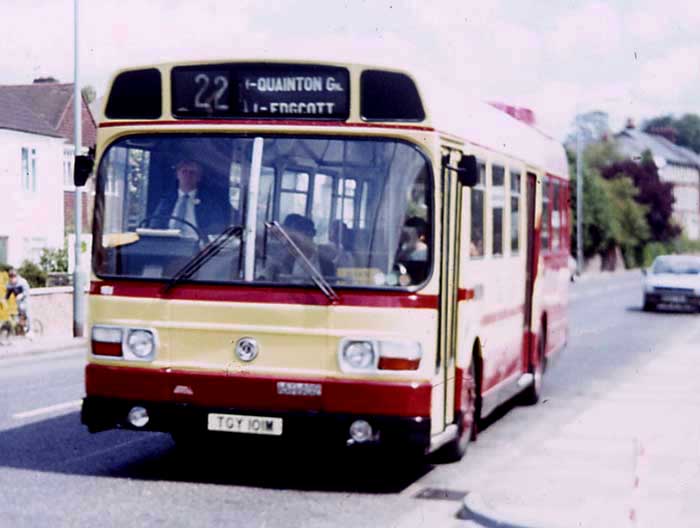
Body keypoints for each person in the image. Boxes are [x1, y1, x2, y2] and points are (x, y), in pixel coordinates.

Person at [152, 159, 234, 237]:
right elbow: (155, 224)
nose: (188, 175)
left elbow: (217, 226)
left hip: (199, 247)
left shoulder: (210, 201)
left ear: (199, 177)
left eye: (192, 173)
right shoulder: (167, 200)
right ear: (177, 175)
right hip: (169, 245)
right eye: (184, 172)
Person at [264, 214, 334, 281]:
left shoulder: (325, 261)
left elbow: (334, 285)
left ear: (313, 234)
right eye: (293, 238)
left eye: (307, 234)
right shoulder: (285, 260)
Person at [4, 268, 31, 332]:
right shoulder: (10, 284)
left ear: (16, 276)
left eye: (13, 277)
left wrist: (22, 295)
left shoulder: (22, 282)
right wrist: (4, 299)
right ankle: (21, 329)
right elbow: (8, 293)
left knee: (26, 312)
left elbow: (27, 291)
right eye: (10, 277)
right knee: (18, 314)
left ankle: (30, 330)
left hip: (25, 299)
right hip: (18, 300)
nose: (12, 279)